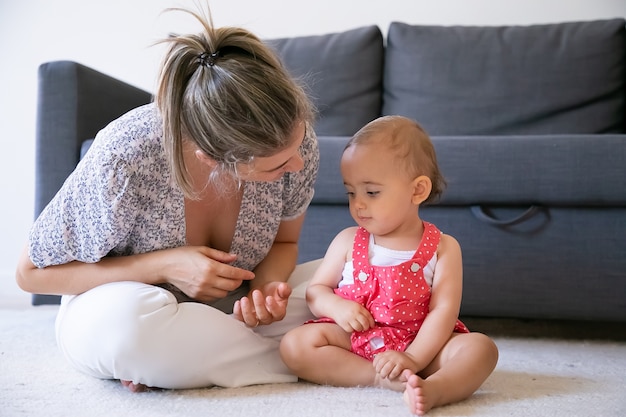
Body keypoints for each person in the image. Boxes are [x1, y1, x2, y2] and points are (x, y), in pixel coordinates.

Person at [15, 5, 320, 392]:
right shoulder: (126, 156)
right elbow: (29, 274)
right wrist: (164, 267)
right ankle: (308, 357)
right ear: (211, 159)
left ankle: (180, 365)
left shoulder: (299, 142)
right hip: (131, 309)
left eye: (297, 148)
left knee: (353, 283)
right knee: (127, 329)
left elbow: (285, 242)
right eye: (276, 165)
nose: (297, 164)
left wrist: (263, 290)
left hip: (227, 312)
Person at [279, 115, 499, 415]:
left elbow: (443, 312)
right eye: (351, 191)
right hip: (359, 343)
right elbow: (316, 291)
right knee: (295, 345)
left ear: (417, 191)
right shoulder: (347, 240)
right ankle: (379, 378)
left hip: (422, 343)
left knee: (481, 349)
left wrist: (413, 358)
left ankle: (436, 389)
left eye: (371, 192)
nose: (358, 203)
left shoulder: (443, 247)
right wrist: (336, 307)